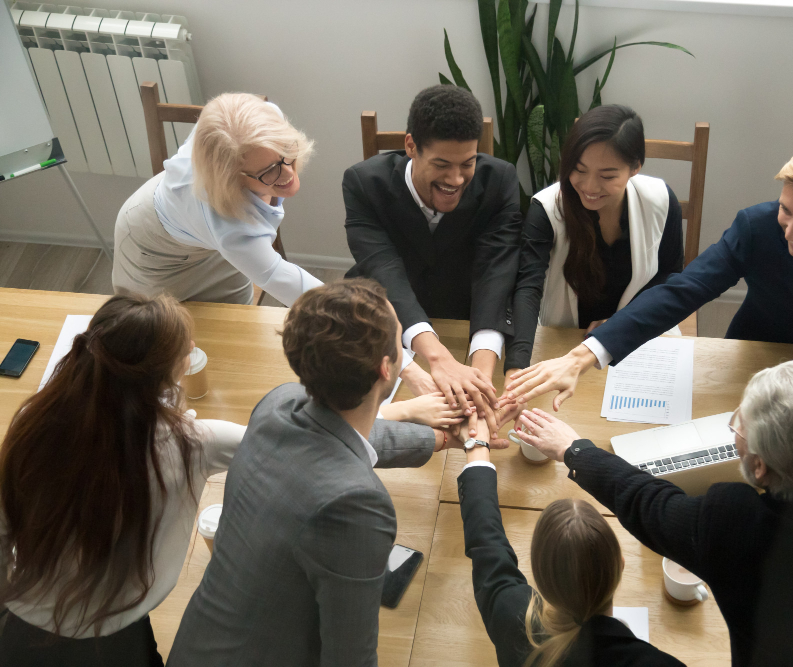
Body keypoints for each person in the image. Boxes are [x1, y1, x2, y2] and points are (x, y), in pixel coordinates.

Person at [504, 144, 793, 467]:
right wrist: (585, 356)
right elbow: (682, 291)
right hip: (763, 363)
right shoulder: (757, 227)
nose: (789, 231)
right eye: (786, 210)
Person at [515, 361, 793, 667]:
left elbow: (644, 501)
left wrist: (574, 449)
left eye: (738, 425)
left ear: (759, 467)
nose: (735, 430)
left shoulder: (736, 524)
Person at [167, 279, 472, 667]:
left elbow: (342, 435)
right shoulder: (356, 504)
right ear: (385, 368)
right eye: (402, 341)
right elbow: (350, 657)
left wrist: (439, 439)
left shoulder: (281, 402)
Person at [0, 294, 246, 666]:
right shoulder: (193, 443)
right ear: (163, 373)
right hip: (109, 635)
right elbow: (290, 440)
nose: (192, 348)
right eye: (185, 348)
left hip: (22, 621)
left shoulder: (35, 421)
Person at [343, 85, 523, 442]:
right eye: (442, 164)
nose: (455, 179)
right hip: (389, 321)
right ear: (411, 146)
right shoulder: (363, 183)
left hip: (467, 315)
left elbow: (495, 273)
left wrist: (481, 377)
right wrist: (436, 358)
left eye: (467, 164)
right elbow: (384, 270)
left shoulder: (500, 180)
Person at [458, 442, 685, 667]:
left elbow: (486, 541)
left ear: (539, 578)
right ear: (620, 565)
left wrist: (477, 443)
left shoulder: (511, 617)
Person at [506, 104, 683, 376]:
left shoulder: (659, 200)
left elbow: (670, 275)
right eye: (579, 170)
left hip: (638, 337)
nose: (589, 187)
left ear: (635, 167)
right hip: (565, 343)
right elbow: (528, 287)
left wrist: (619, 324)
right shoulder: (547, 209)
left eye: (607, 176)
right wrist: (516, 366)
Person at [112, 92, 323, 307]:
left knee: (239, 318)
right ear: (231, 178)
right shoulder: (229, 225)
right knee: (160, 325)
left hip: (201, 229)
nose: (288, 173)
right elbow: (278, 277)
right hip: (153, 249)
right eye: (268, 171)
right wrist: (355, 311)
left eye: (286, 150)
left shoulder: (267, 118)